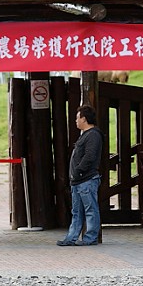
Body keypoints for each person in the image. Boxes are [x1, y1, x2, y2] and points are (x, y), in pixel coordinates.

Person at [57, 105, 103, 247]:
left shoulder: (93, 135)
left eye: (77, 118)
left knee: (90, 209)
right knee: (76, 211)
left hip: (86, 179)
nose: (75, 121)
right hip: (78, 181)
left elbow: (90, 156)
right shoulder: (85, 134)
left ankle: (90, 238)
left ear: (84, 118)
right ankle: (71, 237)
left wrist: (78, 170)